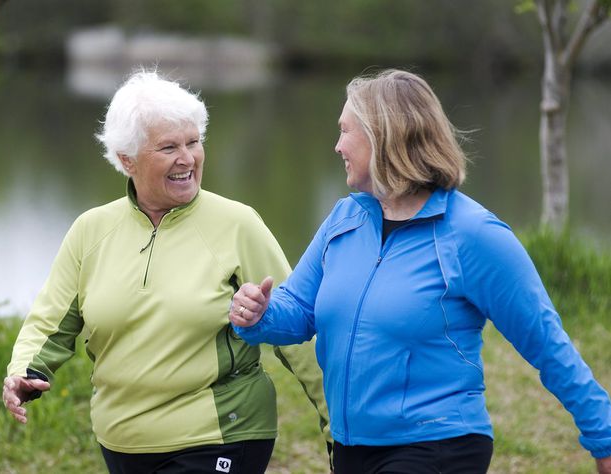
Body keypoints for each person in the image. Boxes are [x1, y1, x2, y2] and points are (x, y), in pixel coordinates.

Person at [229, 69, 611, 474]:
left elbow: (545, 340)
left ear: (382, 137)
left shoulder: (472, 234)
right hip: (351, 445)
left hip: (438, 446)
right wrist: (258, 314)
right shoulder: (344, 219)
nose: (337, 145)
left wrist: (603, 435)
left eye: (345, 131)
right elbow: (300, 311)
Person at [2, 70, 331, 474]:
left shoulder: (237, 224)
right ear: (127, 160)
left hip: (221, 434)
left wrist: (339, 432)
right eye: (168, 147)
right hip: (121, 441)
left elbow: (296, 331)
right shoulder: (91, 231)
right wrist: (24, 372)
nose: (187, 158)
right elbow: (50, 321)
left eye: (194, 142)